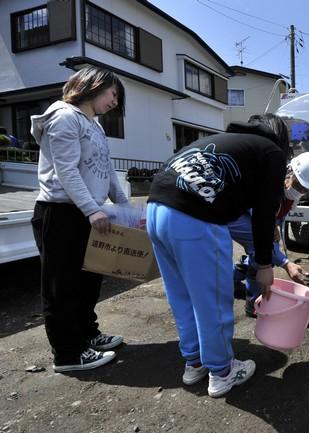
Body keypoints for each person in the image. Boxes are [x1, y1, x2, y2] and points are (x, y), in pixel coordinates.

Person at [146, 113, 289, 397]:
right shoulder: (271, 153)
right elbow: (264, 215)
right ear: (281, 139)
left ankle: (195, 361)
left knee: (182, 295)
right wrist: (264, 263)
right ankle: (223, 371)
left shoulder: (227, 141)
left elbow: (240, 211)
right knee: (212, 299)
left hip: (155, 208)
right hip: (194, 216)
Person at [29, 66, 127, 373]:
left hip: (87, 213)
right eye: (113, 94)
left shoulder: (94, 125)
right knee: (62, 286)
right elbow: (65, 171)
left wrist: (124, 207)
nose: (115, 102)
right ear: (93, 86)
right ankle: (68, 354)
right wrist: (92, 209)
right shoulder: (63, 116)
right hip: (60, 212)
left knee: (89, 280)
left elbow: (107, 170)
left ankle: (88, 336)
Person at [229, 151, 309, 317]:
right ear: (290, 172)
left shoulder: (291, 196)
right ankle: (253, 302)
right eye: (298, 185)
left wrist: (275, 225)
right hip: (234, 214)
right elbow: (261, 228)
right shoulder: (270, 185)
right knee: (261, 251)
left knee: (265, 252)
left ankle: (230, 279)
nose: (300, 190)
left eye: (305, 189)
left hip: (258, 217)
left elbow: (278, 215)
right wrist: (286, 263)